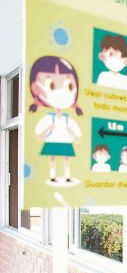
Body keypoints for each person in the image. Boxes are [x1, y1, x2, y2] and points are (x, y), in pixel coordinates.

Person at [29, 56, 84, 184]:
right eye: (52, 85)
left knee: (66, 159)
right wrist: (48, 130)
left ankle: (67, 176)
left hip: (65, 140)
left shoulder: (67, 119)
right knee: (52, 159)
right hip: (53, 139)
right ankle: (53, 176)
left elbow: (77, 135)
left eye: (69, 86)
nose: (61, 93)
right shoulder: (50, 118)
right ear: (35, 88)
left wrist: (72, 133)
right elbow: (39, 134)